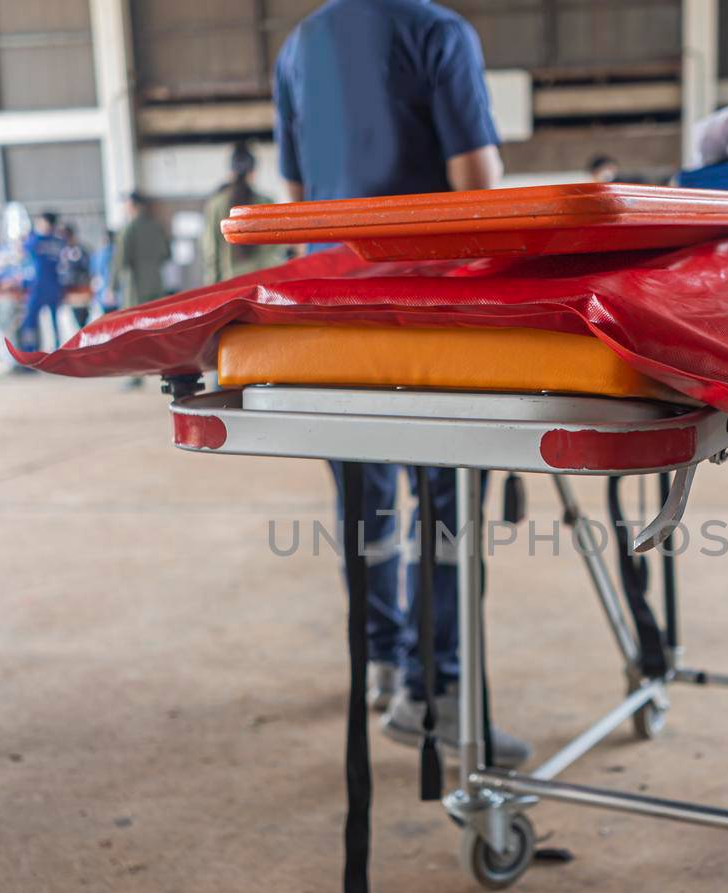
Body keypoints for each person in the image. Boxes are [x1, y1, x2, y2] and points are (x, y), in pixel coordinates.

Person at [273, 0, 528, 766]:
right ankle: (438, 694)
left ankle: (383, 667)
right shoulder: (438, 33)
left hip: (332, 313)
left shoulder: (297, 47)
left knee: (365, 501)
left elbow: (293, 199)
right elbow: (476, 184)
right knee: (446, 508)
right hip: (427, 314)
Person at [200, 142, 281, 285]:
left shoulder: (216, 205)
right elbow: (276, 253)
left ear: (231, 171)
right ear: (253, 172)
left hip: (230, 287)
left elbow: (211, 254)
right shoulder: (267, 203)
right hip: (263, 288)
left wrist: (212, 288)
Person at [18, 211, 66, 350]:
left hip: (38, 287)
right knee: (53, 321)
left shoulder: (35, 240)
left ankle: (30, 349)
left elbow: (21, 251)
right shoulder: (59, 241)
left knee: (30, 321)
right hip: (53, 285)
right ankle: (57, 349)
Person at [112, 193, 169, 308]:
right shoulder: (156, 227)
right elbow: (166, 254)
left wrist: (112, 286)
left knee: (136, 321)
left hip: (135, 287)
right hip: (156, 283)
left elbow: (120, 260)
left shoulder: (128, 230)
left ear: (133, 206)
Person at [58, 222, 94, 329]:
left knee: (81, 319)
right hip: (66, 291)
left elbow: (88, 268)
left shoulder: (81, 251)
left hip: (80, 290)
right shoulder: (61, 251)